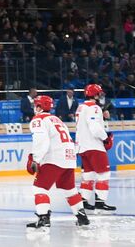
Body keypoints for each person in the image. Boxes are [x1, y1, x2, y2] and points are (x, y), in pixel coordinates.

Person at [25, 94, 90, 238]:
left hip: (54, 158)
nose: (34, 108)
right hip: (69, 157)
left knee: (39, 188)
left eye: (36, 105)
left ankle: (43, 219)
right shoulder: (57, 120)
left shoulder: (38, 120)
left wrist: (35, 158)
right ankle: (82, 217)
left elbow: (41, 141)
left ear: (39, 107)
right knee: (70, 190)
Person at [75, 83, 115, 212]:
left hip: (82, 146)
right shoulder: (94, 107)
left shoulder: (81, 107)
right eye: (99, 93)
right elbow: (95, 128)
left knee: (89, 175)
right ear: (95, 94)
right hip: (94, 145)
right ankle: (100, 201)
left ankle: (84, 200)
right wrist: (105, 138)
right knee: (104, 173)